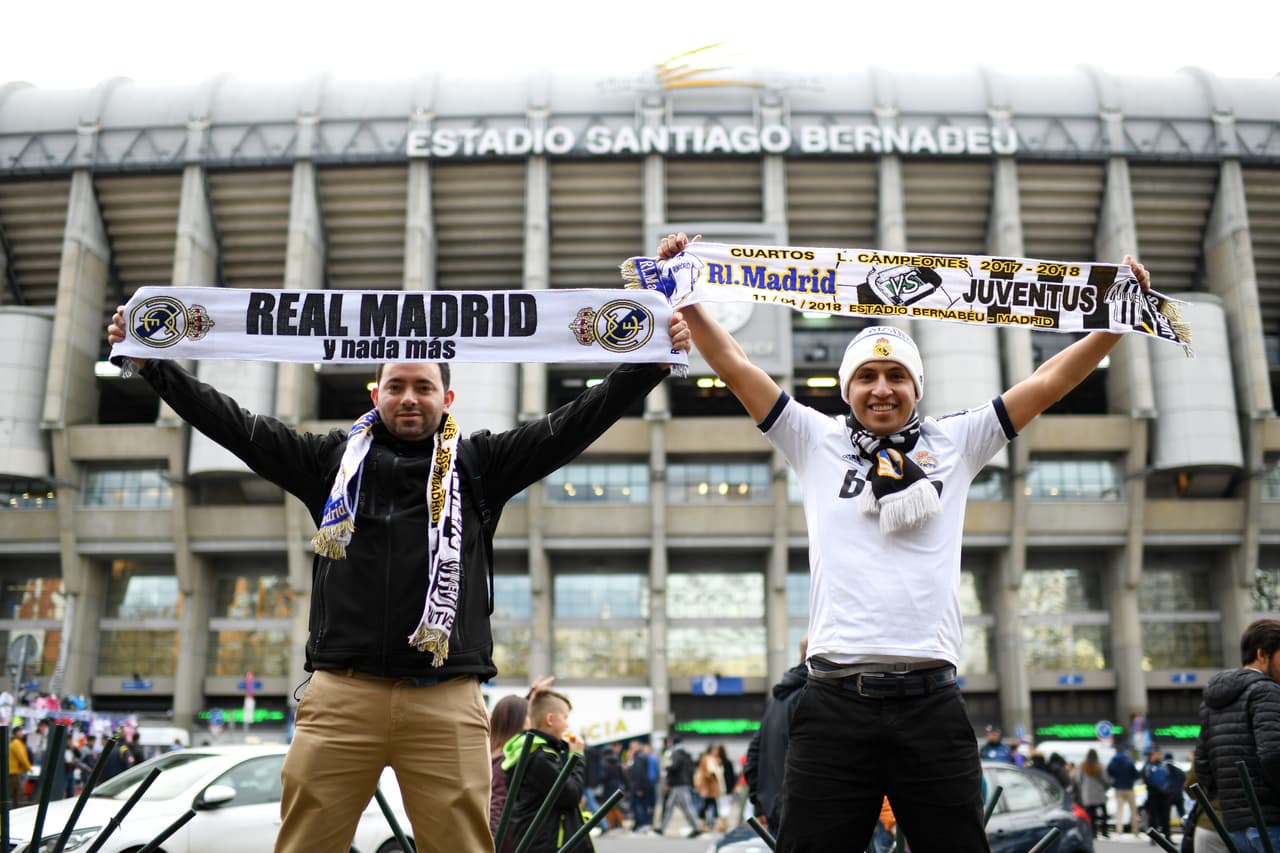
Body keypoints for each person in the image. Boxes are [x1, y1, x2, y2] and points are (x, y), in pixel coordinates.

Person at [107, 304, 689, 853]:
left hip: (446, 698)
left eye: (423, 387)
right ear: (376, 394)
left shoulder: (482, 464)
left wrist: (646, 368)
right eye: (396, 386)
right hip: (340, 695)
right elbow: (235, 425)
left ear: (447, 397)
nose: (409, 398)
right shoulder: (329, 462)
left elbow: (570, 425)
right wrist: (152, 362)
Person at [662, 230, 1152, 853]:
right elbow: (734, 365)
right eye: (866, 376)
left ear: (917, 387)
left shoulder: (958, 441)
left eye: (897, 375)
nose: (882, 388)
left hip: (932, 705)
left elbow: (1049, 380)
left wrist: (1114, 323)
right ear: (846, 389)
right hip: (834, 703)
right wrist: (689, 291)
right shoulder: (814, 439)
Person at [1195, 619, 1280, 852]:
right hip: (1272, 824)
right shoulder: (1266, 691)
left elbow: (1202, 768)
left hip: (1235, 828)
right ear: (1262, 654)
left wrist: (1232, 805)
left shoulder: (1211, 702)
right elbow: (1274, 754)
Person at [500, 689, 592, 853]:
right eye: (565, 717)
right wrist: (577, 756)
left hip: (533, 841)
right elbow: (570, 795)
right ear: (550, 719)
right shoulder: (539, 757)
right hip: (545, 844)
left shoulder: (528, 751)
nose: (567, 725)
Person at [745, 636, 808, 831]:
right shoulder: (813, 696)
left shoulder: (777, 700)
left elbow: (753, 754)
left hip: (776, 811)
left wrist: (760, 802)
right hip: (806, 814)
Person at [489, 694, 530, 853]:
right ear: (519, 721)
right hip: (508, 843)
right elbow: (497, 807)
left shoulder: (490, 753)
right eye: (530, 716)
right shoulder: (506, 761)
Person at [655, 738, 700, 837]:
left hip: (679, 785)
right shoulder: (685, 754)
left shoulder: (675, 754)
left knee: (685, 806)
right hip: (681, 784)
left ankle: (697, 827)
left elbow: (674, 767)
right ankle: (662, 828)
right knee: (673, 806)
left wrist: (666, 766)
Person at [1074, 748, 1112, 838]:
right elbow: (1106, 780)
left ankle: (1092, 832)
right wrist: (1105, 788)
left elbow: (1078, 779)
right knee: (1103, 813)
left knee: (1090, 814)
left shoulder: (1083, 766)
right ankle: (1104, 831)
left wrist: (1082, 788)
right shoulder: (1099, 766)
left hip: (1087, 794)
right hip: (1099, 793)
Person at [1108, 742, 1141, 836]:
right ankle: (1135, 829)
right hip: (1129, 788)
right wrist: (1131, 780)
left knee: (1119, 810)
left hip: (1118, 788)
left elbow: (1109, 771)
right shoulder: (1129, 761)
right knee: (1133, 810)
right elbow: (1136, 774)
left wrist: (1116, 779)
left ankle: (1119, 829)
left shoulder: (1114, 760)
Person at [9, 728, 31, 805]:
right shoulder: (16, 743)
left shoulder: (17, 742)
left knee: (15, 792)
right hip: (14, 771)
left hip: (15, 771)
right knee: (17, 792)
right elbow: (22, 757)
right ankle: (15, 810)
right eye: (20, 732)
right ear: (15, 733)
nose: (22, 733)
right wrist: (29, 768)